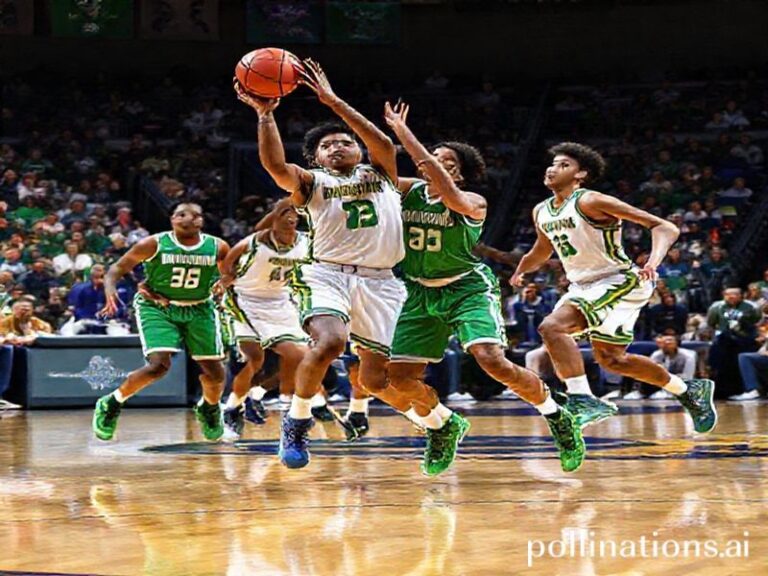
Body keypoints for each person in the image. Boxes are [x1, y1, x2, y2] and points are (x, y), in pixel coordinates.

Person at [383, 101, 585, 474]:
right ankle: (444, 425)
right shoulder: (408, 190)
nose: (437, 163)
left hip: (466, 289)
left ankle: (558, 416)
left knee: (491, 360)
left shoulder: (473, 201)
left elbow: (444, 187)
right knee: (397, 379)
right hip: (417, 291)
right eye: (434, 158)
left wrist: (404, 134)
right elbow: (375, 172)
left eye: (448, 162)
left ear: (460, 175)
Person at [235, 60, 410, 469]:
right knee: (330, 342)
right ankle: (296, 423)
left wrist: (333, 102)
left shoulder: (381, 171)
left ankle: (428, 420)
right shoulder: (312, 182)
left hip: (382, 282)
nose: (337, 147)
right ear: (316, 158)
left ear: (358, 149)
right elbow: (276, 167)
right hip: (326, 273)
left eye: (344, 142)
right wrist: (265, 115)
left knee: (376, 377)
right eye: (327, 146)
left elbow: (383, 141)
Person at [511, 142, 717, 435]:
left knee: (551, 327)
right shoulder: (541, 211)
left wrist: (653, 262)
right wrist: (521, 268)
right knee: (612, 360)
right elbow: (542, 249)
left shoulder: (591, 201)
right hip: (584, 286)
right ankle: (688, 390)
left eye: (563, 165)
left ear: (580, 174)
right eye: (553, 163)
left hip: (618, 279)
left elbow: (664, 227)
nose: (552, 168)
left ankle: (582, 398)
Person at [92, 203, 230, 442]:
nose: (188, 218)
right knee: (158, 366)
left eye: (195, 215)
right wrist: (110, 289)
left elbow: (230, 272)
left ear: (201, 221)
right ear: (172, 220)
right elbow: (117, 268)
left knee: (216, 374)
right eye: (181, 214)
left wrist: (224, 284)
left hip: (200, 308)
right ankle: (112, 402)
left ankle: (209, 407)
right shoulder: (154, 243)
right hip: (158, 307)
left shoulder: (217, 246)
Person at [214, 199, 326, 440]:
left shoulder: (306, 242)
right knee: (253, 360)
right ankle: (233, 408)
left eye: (294, 217)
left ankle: (285, 405)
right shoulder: (255, 241)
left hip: (280, 301)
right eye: (284, 215)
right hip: (245, 301)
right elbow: (227, 264)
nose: (290, 220)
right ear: (273, 218)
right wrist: (226, 278)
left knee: (298, 356)